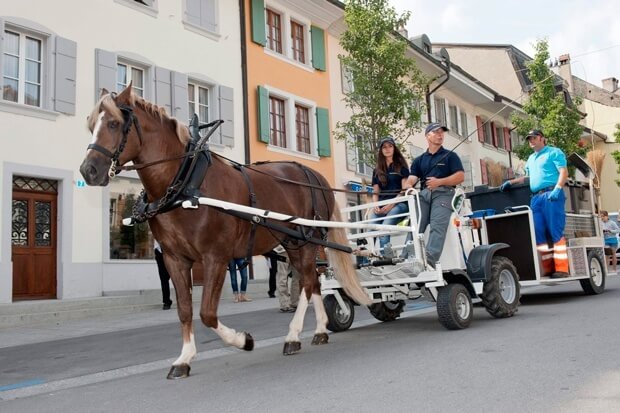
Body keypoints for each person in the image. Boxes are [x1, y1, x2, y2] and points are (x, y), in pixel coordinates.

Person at [500, 129, 569, 278]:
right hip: (536, 198)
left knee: (555, 231)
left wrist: (557, 189)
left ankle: (562, 269)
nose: (531, 140)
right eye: (529, 138)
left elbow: (563, 172)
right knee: (538, 233)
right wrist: (511, 182)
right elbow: (529, 177)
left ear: (542, 138)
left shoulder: (553, 152)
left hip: (551, 194)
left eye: (534, 137)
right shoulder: (531, 158)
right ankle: (549, 268)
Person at [404, 123, 464, 268]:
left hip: (444, 193)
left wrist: (439, 182)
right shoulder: (419, 160)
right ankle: (405, 258)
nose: (440, 135)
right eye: (436, 132)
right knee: (415, 226)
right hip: (424, 194)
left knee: (438, 226)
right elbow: (412, 178)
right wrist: (407, 186)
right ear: (427, 136)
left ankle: (428, 261)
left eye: (442, 132)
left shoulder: (451, 156)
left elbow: (460, 176)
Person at [370, 136, 410, 251]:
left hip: (399, 204)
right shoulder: (377, 170)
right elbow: (375, 192)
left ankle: (385, 259)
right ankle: (366, 260)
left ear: (394, 148)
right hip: (382, 205)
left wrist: (391, 204)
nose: (387, 149)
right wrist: (375, 206)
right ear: (381, 151)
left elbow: (403, 192)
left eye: (390, 146)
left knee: (383, 230)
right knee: (368, 231)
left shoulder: (402, 167)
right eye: (384, 147)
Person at [273, 246, 300, 313]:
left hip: (293, 250)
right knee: (284, 278)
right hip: (286, 250)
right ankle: (289, 303)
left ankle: (289, 303)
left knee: (294, 277)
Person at [154, 240, 173, 310]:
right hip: (159, 252)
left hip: (172, 253)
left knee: (177, 277)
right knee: (164, 279)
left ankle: (182, 299)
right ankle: (166, 302)